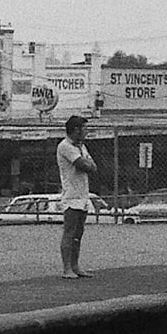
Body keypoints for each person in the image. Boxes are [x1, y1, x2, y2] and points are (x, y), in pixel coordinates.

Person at [56, 115, 97, 279]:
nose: (86, 132)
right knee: (69, 232)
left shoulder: (81, 146)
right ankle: (66, 268)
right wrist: (87, 164)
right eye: (84, 128)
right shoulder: (65, 146)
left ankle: (75, 265)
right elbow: (84, 165)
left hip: (83, 194)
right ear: (75, 130)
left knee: (78, 233)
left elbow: (93, 166)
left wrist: (88, 163)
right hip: (71, 195)